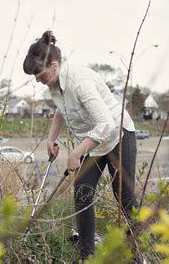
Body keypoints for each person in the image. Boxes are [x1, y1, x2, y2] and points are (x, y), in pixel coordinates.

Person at [23, 30, 138, 261]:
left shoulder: (80, 81)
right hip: (93, 143)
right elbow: (62, 110)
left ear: (54, 65)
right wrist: (51, 137)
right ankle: (88, 255)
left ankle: (138, 251)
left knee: (123, 197)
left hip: (117, 136)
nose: (37, 79)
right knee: (82, 194)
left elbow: (105, 122)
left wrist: (75, 152)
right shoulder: (54, 85)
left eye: (38, 73)